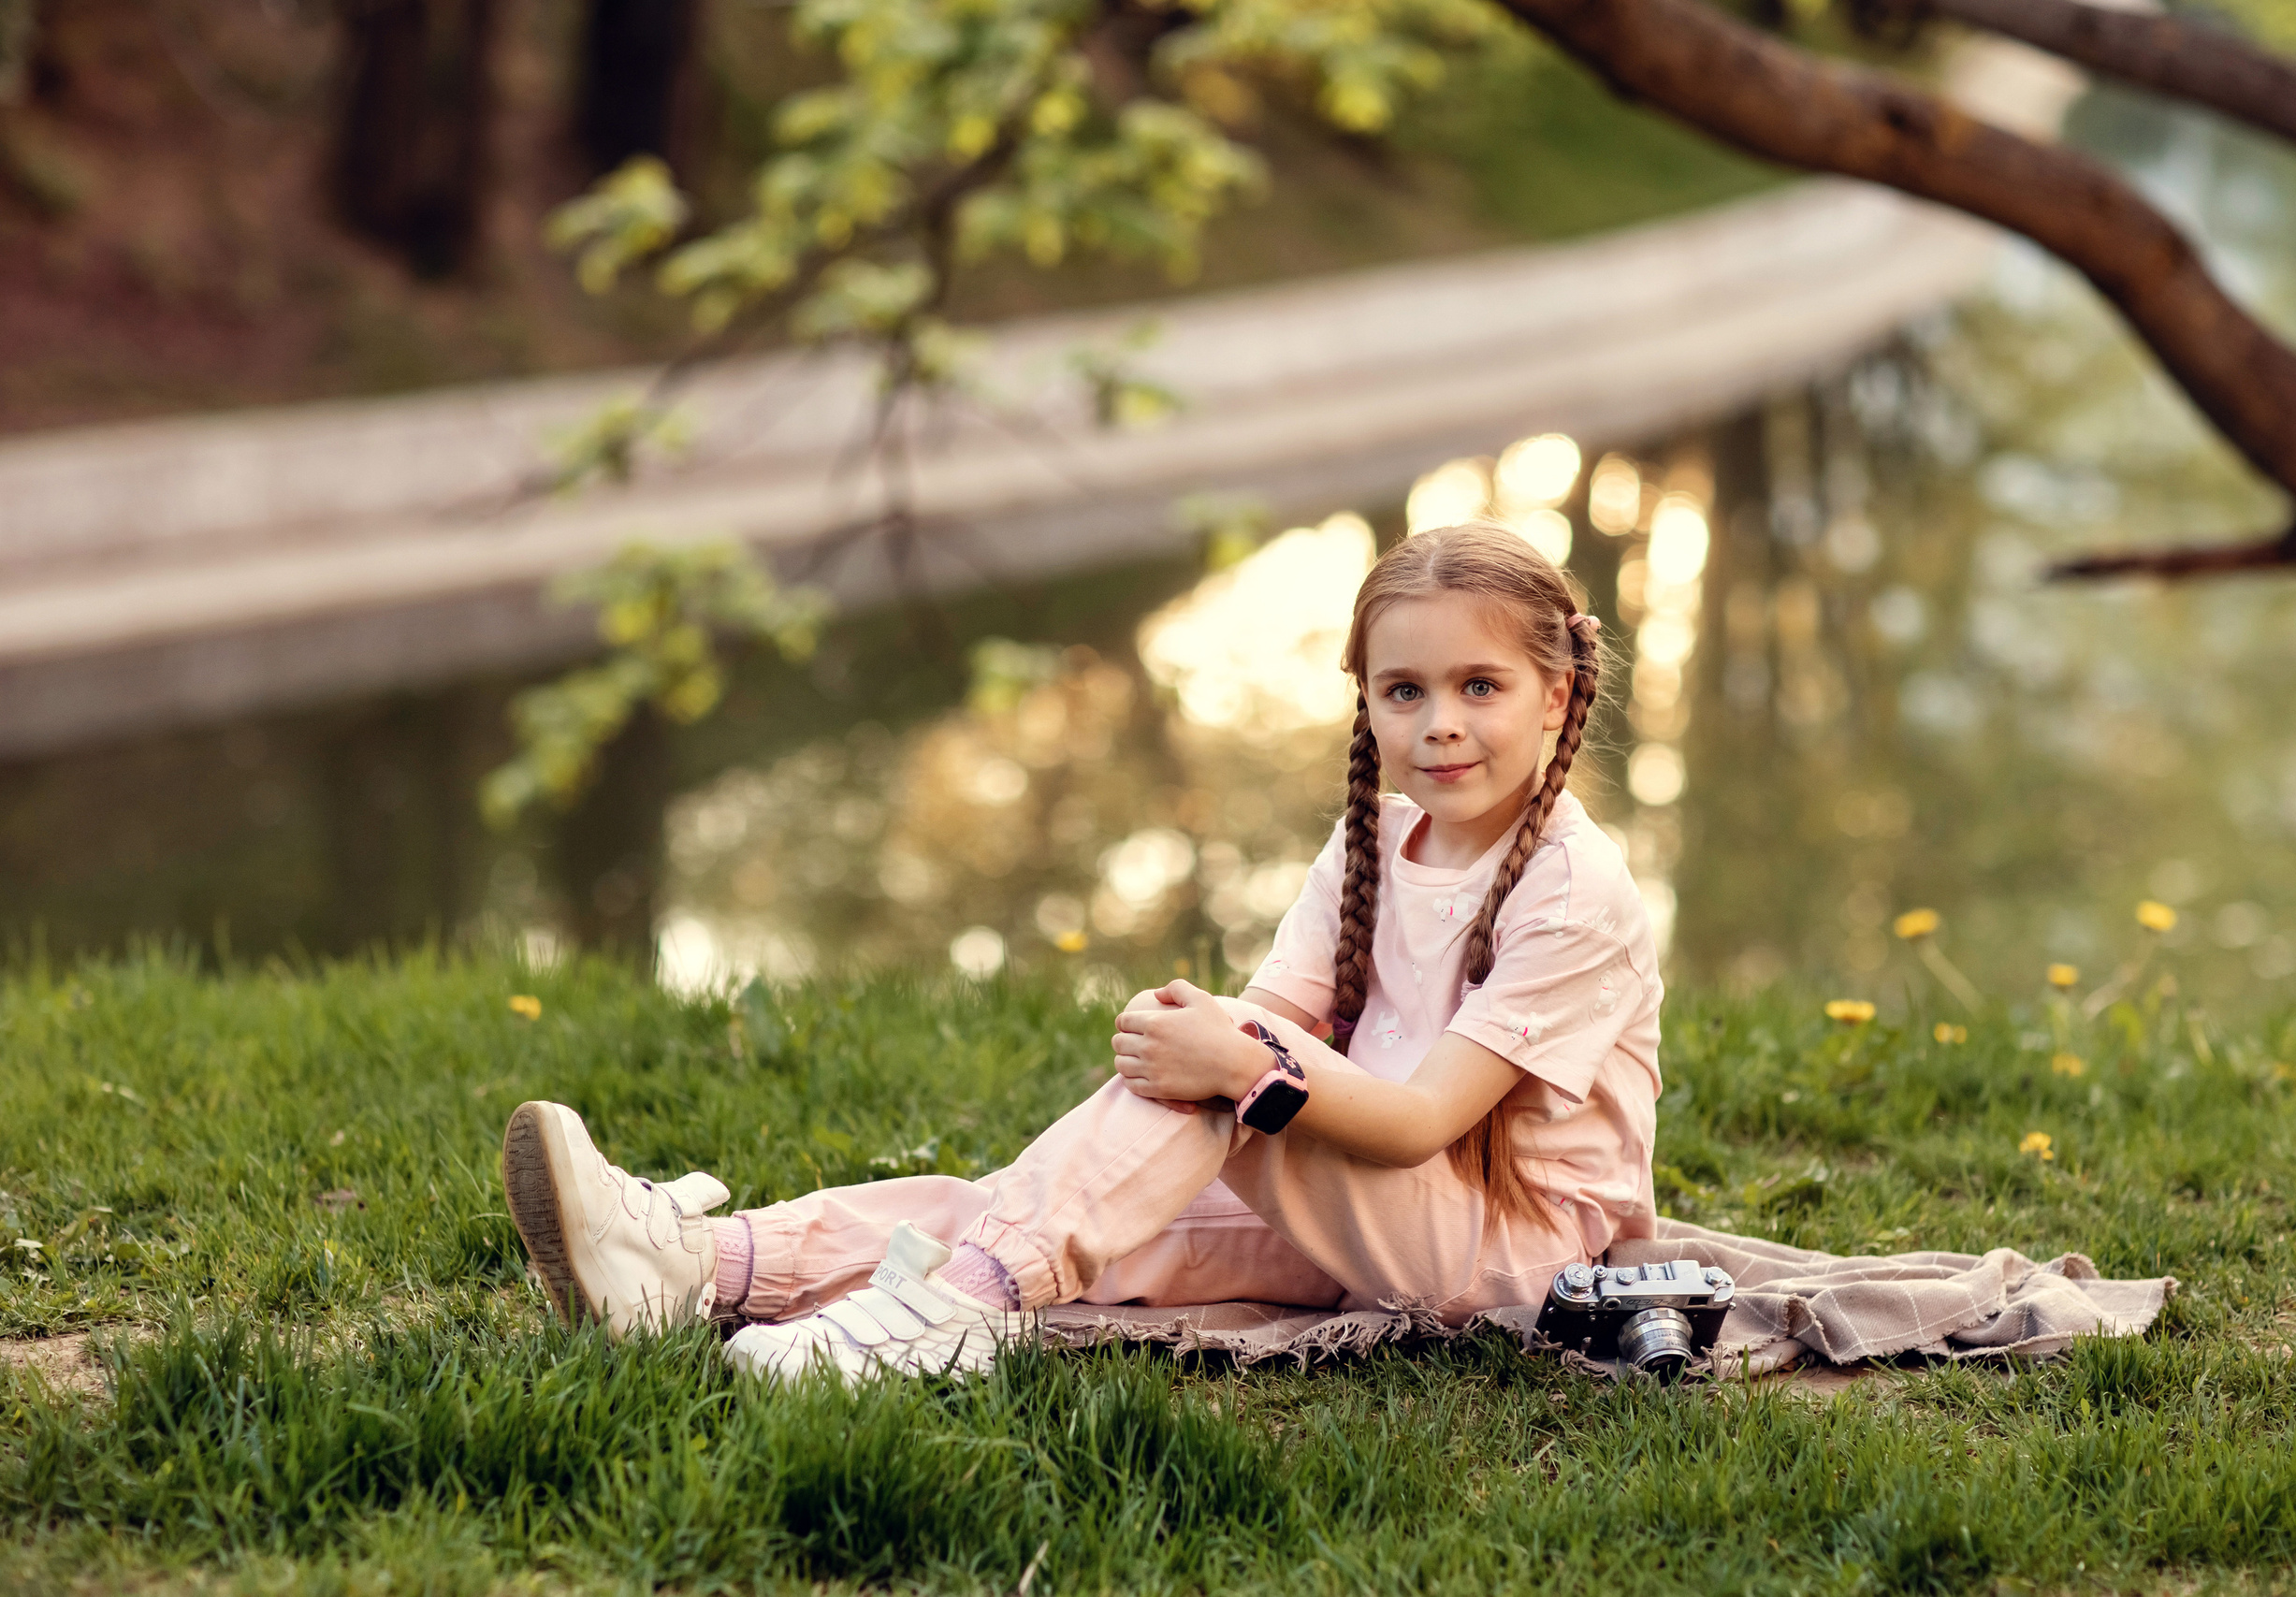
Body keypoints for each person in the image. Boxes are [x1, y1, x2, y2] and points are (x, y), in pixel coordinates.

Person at [501, 521, 1664, 1385]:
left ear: (1557, 695)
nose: (1439, 723)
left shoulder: (1577, 893)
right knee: (1069, 1209)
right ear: (1365, 702)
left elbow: (1415, 1124)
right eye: (1403, 691)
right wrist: (1197, 1044)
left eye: (1479, 687)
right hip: (1374, 1204)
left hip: (1508, 1256)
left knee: (1213, 1077)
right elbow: (1278, 1011)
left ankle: (956, 1311)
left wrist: (1237, 1061)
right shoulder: (1372, 836)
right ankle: (707, 1266)